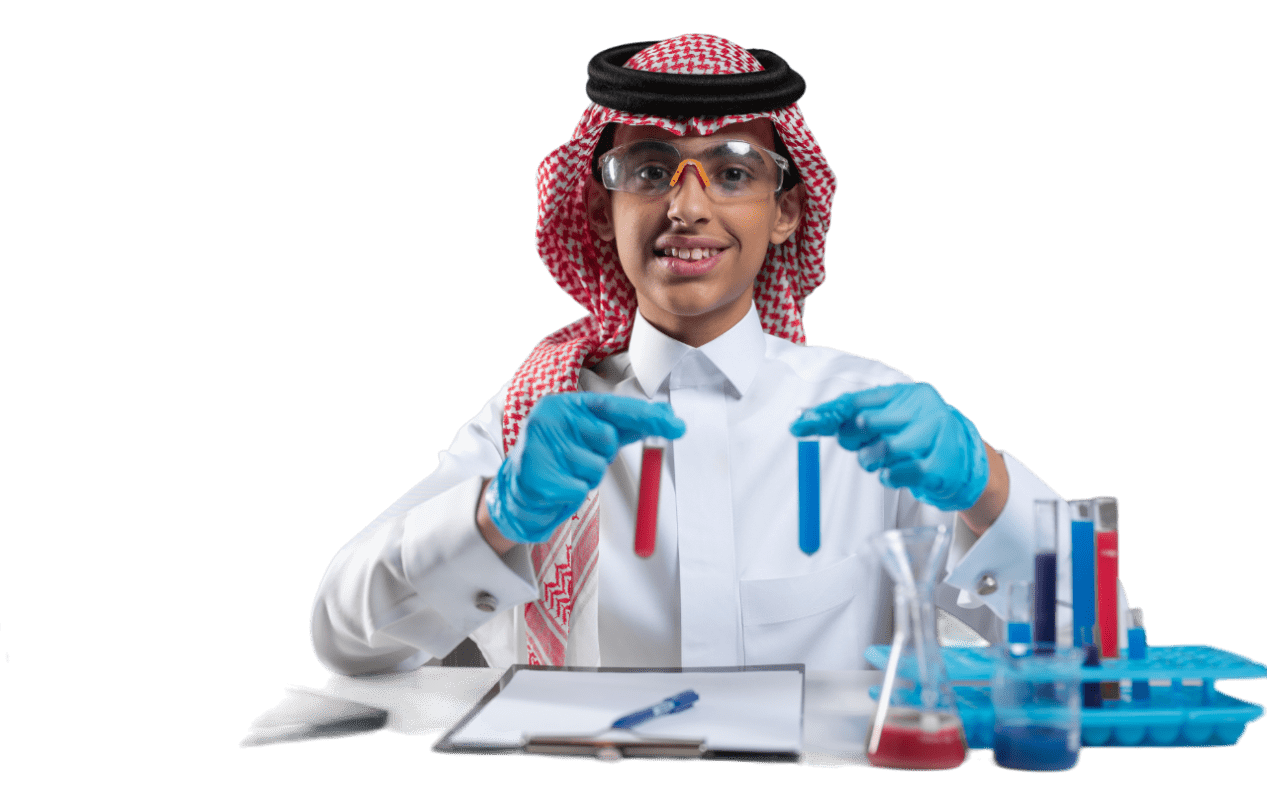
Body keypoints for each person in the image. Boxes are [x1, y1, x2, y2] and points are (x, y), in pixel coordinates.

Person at [310, 34, 1128, 676]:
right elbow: (345, 639)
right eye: (650, 170)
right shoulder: (541, 419)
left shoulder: (874, 418)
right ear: (600, 210)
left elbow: (1105, 645)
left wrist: (986, 485)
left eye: (733, 173)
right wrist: (493, 519)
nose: (688, 206)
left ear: (785, 213)